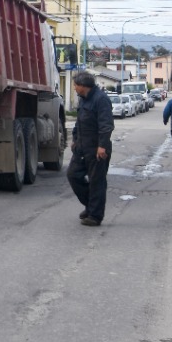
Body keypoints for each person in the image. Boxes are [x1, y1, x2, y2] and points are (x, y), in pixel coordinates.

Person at [68, 71, 114, 227]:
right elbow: (79, 122)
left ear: (83, 86)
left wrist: (102, 146)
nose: (74, 88)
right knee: (73, 175)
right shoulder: (83, 99)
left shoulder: (101, 99)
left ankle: (95, 215)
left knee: (96, 182)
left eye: (75, 85)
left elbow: (106, 125)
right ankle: (90, 205)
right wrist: (75, 140)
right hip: (82, 147)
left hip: (97, 149)